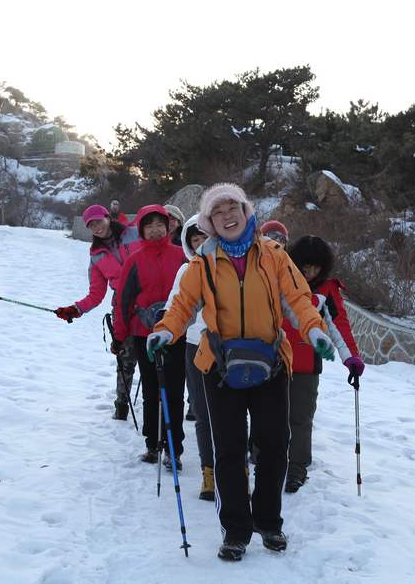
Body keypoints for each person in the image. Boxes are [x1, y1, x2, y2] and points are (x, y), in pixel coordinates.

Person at [149, 183, 341, 562]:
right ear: (209, 222)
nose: (227, 215)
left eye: (232, 207)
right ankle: (236, 529)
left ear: (246, 210)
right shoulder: (201, 263)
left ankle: (268, 520)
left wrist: (314, 329)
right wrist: (164, 332)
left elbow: (298, 299)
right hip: (219, 367)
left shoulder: (273, 255)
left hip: (270, 364)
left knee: (273, 445)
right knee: (230, 450)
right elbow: (182, 306)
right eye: (217, 211)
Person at [284, 235, 365, 493]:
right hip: (273, 360)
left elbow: (338, 325)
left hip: (307, 365)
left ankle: (296, 468)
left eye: (316, 267)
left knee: (300, 418)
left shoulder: (327, 290)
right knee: (270, 417)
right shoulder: (279, 280)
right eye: (305, 266)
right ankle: (263, 457)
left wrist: (350, 357)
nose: (310, 272)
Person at [111, 205, 188, 468]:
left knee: (175, 390)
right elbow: (124, 300)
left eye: (160, 224)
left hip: (177, 333)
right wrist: (120, 336)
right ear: (141, 229)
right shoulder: (134, 259)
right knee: (152, 390)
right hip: (144, 333)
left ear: (169, 227)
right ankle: (151, 444)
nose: (155, 230)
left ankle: (173, 448)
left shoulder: (181, 257)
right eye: (149, 225)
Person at [53, 204, 140, 420]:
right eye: (91, 225)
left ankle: (157, 406)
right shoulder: (96, 255)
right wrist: (75, 310)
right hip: (123, 308)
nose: (96, 227)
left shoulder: (134, 233)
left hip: (150, 301)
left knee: (152, 359)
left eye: (98, 221)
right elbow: (96, 294)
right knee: (125, 359)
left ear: (107, 217)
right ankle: (121, 404)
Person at [164, 215, 215, 500]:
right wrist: (162, 324)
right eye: (195, 241)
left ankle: (236, 471)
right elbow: (176, 303)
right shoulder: (186, 271)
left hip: (229, 345)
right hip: (195, 346)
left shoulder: (232, 266)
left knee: (233, 412)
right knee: (203, 412)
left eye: (205, 238)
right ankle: (209, 471)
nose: (200, 245)